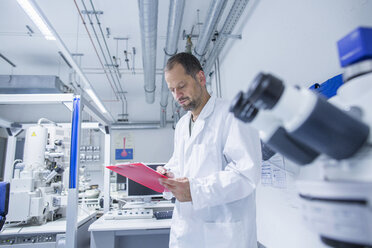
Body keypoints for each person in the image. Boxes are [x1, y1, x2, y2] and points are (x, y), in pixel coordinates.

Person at [157, 52, 261, 248]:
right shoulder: (181, 125)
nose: (177, 96)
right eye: (172, 90)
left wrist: (196, 190)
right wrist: (168, 175)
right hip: (187, 231)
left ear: (201, 78)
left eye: (181, 86)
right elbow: (181, 165)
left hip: (224, 235)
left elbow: (247, 174)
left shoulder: (232, 115)